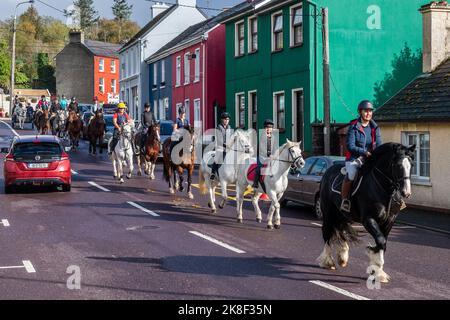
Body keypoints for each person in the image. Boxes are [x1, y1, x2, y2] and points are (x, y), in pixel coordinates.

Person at [340, 100, 382, 213]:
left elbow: (379, 145)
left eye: (370, 111)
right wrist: (364, 152)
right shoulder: (353, 127)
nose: (368, 113)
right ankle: (345, 200)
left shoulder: (375, 128)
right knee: (352, 174)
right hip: (354, 159)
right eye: (366, 111)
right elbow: (350, 146)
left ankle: (394, 200)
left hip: (370, 159)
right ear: (360, 112)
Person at [252, 119, 275, 192]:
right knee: (259, 168)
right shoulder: (262, 136)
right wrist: (268, 155)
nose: (268, 129)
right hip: (261, 156)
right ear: (264, 128)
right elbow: (262, 148)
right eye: (267, 127)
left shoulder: (273, 137)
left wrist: (274, 154)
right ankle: (255, 182)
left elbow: (274, 148)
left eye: (270, 127)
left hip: (271, 157)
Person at [210, 112, 232, 181]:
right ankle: (213, 173)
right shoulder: (218, 128)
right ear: (222, 120)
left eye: (227, 119)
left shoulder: (230, 127)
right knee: (218, 157)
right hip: (219, 146)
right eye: (225, 119)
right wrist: (225, 145)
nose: (226, 121)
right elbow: (219, 140)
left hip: (228, 147)